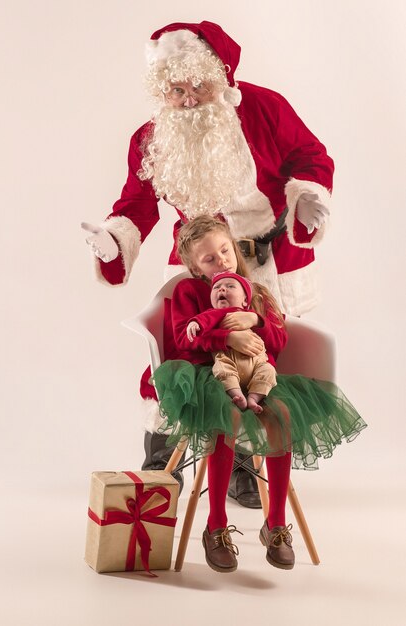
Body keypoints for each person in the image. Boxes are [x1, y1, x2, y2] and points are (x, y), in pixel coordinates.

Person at [82, 20, 335, 507]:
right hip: (197, 269)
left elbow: (310, 156)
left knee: (256, 362)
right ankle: (160, 465)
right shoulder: (151, 138)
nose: (188, 98)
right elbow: (135, 205)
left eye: (197, 84)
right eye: (175, 89)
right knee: (177, 359)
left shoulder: (263, 108)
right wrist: (113, 241)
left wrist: (305, 199)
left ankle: (244, 467)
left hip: (263, 266)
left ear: (218, 77)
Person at [152, 215, 367, 573]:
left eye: (224, 251)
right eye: (209, 258)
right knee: (228, 416)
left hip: (257, 376)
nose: (221, 260)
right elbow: (182, 338)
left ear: (233, 248)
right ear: (193, 266)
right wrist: (227, 337)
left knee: (281, 415)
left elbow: (280, 341)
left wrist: (256, 322)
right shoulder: (189, 292)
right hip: (208, 375)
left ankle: (276, 525)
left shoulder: (258, 293)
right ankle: (216, 525)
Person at [186, 271, 277, 414]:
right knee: (222, 368)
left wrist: (256, 319)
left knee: (269, 371)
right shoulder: (216, 313)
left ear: (245, 300)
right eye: (216, 287)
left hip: (257, 364)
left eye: (230, 286)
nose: (222, 289)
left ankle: (253, 397)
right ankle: (237, 394)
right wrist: (195, 323)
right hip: (229, 359)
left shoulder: (250, 315)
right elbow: (204, 319)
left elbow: (274, 335)